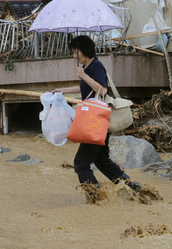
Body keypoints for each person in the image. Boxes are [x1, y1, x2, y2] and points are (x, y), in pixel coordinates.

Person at [54, 35, 141, 197]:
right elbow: (86, 88)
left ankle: (96, 198)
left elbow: (102, 90)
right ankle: (134, 189)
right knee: (101, 160)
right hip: (97, 121)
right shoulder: (88, 68)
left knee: (80, 164)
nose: (74, 56)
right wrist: (64, 90)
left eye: (75, 52)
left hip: (95, 122)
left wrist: (84, 76)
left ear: (84, 51)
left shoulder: (96, 66)